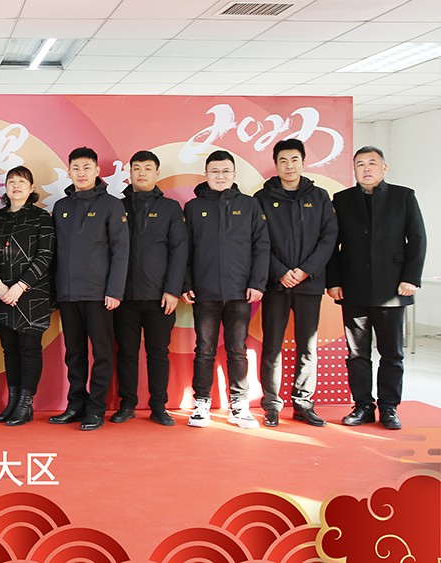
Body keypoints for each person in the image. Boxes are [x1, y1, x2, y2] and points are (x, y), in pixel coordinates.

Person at [326, 146, 426, 430]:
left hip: (393, 288)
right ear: (354, 170)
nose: (366, 168)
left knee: (391, 353)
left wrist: (411, 278)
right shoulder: (342, 199)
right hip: (354, 288)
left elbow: (417, 239)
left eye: (372, 163)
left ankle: (389, 407)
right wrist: (334, 281)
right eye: (360, 164)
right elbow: (332, 243)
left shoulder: (403, 196)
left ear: (384, 168)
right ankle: (363, 406)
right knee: (357, 354)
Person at [182, 150, 269, 429]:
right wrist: (186, 283)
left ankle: (239, 406)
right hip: (204, 292)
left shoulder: (250, 205)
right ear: (206, 174)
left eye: (225, 171)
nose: (220, 176)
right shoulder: (193, 207)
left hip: (239, 292)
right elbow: (185, 250)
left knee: (238, 350)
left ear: (234, 174)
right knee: (204, 349)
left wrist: (257, 283)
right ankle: (202, 404)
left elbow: (261, 246)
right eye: (215, 171)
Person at [254, 139, 337, 427]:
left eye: (294, 160)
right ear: (275, 164)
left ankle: (303, 404)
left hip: (309, 283)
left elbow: (329, 238)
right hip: (275, 284)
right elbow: (259, 240)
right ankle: (271, 405)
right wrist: (279, 271)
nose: (289, 166)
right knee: (272, 347)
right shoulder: (261, 198)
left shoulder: (320, 196)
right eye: (283, 161)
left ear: (303, 162)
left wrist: (305, 270)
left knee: (308, 347)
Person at [49, 147, 129, 431]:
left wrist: (115, 291)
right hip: (68, 293)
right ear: (68, 172)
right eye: (76, 168)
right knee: (74, 353)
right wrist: (55, 292)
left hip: (99, 294)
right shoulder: (61, 207)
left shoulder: (112, 205)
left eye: (86, 168)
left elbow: (121, 251)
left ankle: (96, 408)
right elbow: (55, 253)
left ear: (97, 171)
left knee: (102, 353)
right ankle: (76, 405)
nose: (81, 173)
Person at [112, 150, 187, 427]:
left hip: (160, 297)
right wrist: (113, 290)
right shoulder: (116, 207)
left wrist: (173, 290)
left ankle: (159, 406)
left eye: (147, 168)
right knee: (126, 353)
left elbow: (180, 251)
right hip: (124, 296)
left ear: (157, 173)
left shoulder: (170, 208)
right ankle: (127, 404)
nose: (141, 173)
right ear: (129, 173)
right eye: (136, 168)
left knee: (158, 353)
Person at [0, 165, 55, 426]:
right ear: (5, 187)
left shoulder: (42, 217)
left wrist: (20, 286)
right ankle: (13, 401)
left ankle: (26, 404)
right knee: (9, 349)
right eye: (11, 181)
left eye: (22, 182)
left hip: (32, 295)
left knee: (29, 348)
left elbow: (45, 255)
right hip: (1, 294)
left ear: (31, 188)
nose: (16, 186)